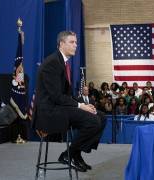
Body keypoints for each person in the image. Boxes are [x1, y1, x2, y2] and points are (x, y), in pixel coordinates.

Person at [32, 31, 106, 172]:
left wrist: (84, 104)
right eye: (72, 42)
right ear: (61, 44)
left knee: (101, 117)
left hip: (60, 108)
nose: (76, 45)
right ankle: (69, 155)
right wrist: (80, 106)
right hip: (49, 112)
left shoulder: (63, 62)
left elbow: (67, 95)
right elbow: (56, 97)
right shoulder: (52, 63)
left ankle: (74, 154)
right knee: (93, 121)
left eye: (76, 42)